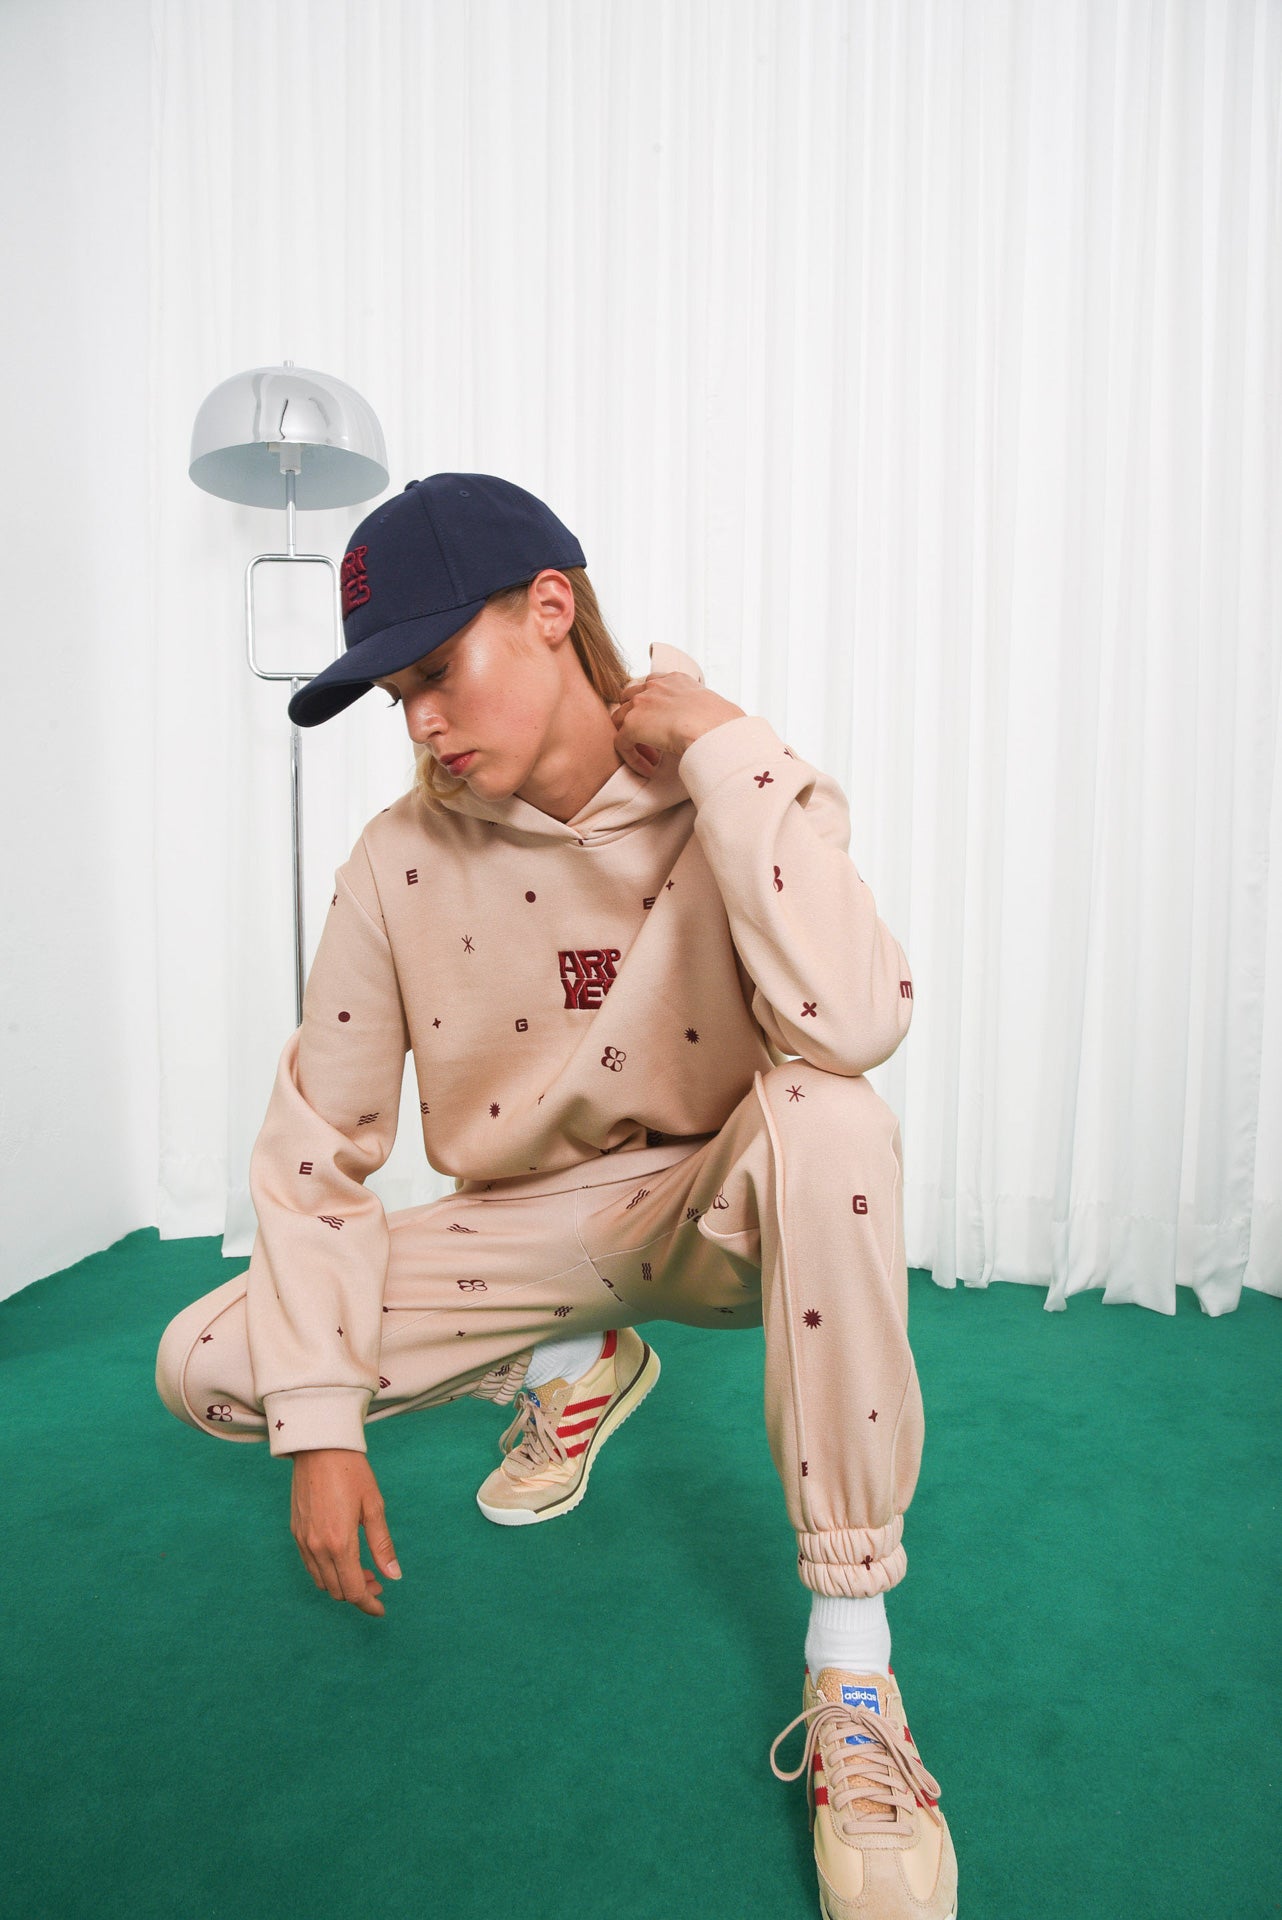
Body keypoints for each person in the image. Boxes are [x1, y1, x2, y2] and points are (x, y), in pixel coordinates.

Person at [155, 471, 958, 1920]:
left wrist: (725, 747)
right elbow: (320, 1151)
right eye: (396, 696)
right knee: (211, 1368)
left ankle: (854, 1675)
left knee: (831, 1118)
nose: (420, 723)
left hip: (710, 1210)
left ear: (547, 611)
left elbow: (854, 1022)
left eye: (433, 673)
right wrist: (322, 1428)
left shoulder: (738, 784)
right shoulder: (396, 861)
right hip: (522, 1235)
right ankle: (574, 1355)